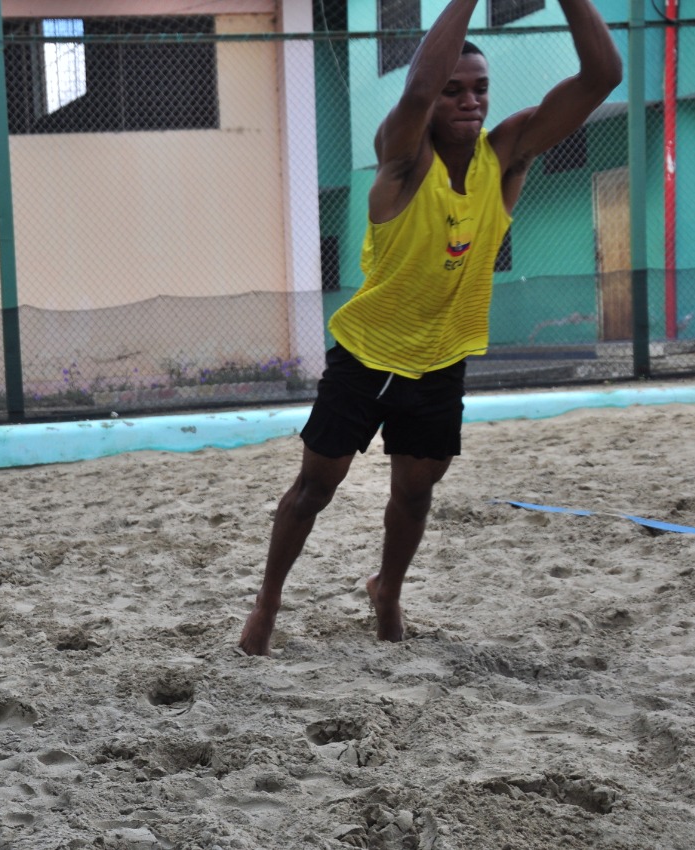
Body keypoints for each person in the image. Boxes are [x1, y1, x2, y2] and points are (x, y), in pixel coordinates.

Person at [239, 0, 621, 651]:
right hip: (366, 356)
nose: (469, 100)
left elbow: (603, 76)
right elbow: (417, 88)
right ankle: (267, 605)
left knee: (415, 495)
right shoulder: (402, 160)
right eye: (454, 90)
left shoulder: (506, 155)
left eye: (480, 89)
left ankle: (386, 591)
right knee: (314, 488)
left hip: (441, 361)